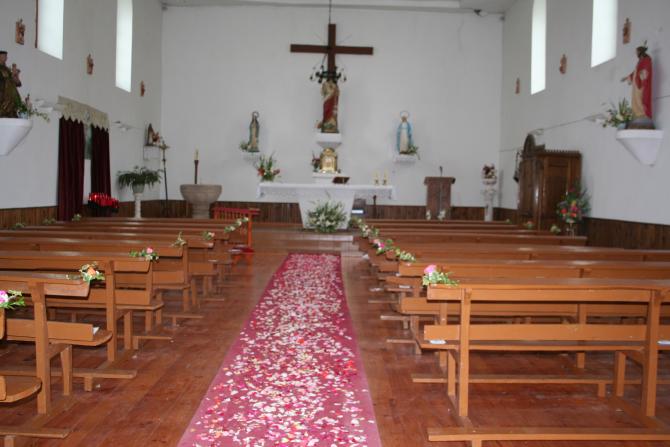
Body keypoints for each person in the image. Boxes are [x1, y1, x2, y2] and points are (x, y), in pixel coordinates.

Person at [621, 44, 653, 128]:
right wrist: (627, 77)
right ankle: (637, 115)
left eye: (637, 52)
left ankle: (642, 114)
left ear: (640, 52)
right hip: (636, 85)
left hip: (641, 84)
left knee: (640, 99)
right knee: (635, 100)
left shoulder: (646, 60)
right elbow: (635, 72)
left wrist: (642, 74)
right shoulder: (640, 61)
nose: (636, 54)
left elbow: (646, 70)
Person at [0, 51, 22, 118]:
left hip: (10, 92)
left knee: (12, 104)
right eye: (4, 56)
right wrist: (12, 75)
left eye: (6, 56)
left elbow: (17, 83)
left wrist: (16, 75)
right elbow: (4, 79)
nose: (6, 58)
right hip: (2, 91)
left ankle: (11, 113)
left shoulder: (7, 69)